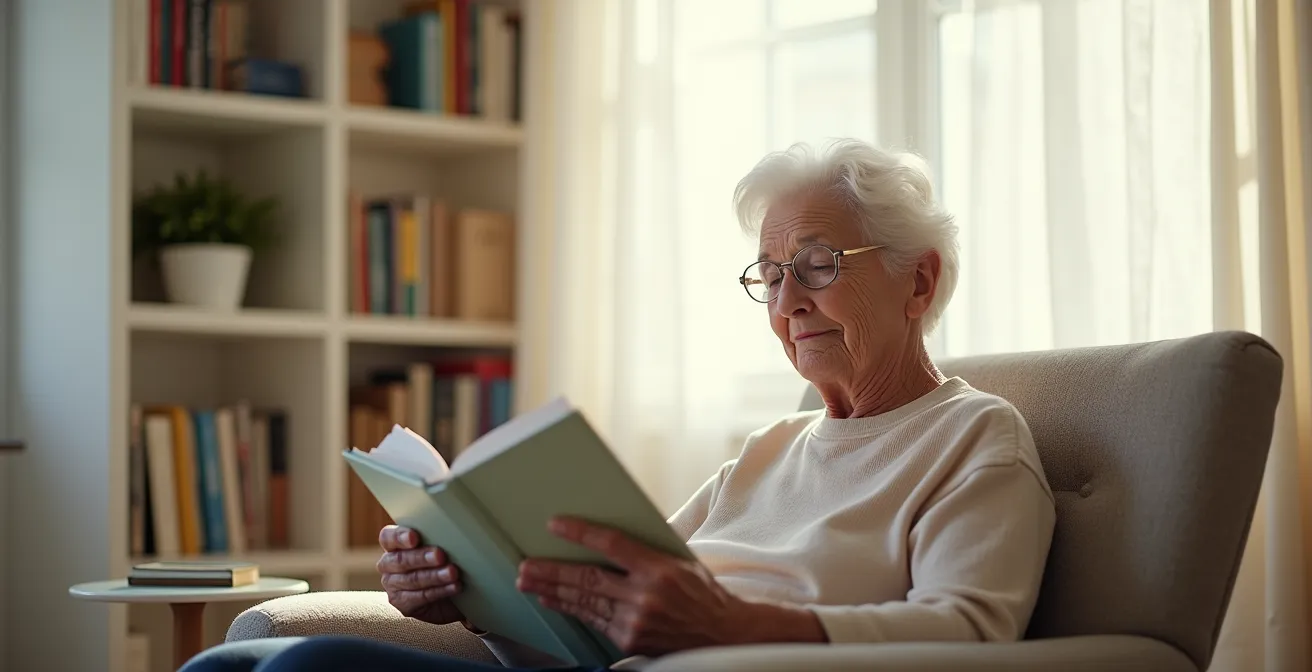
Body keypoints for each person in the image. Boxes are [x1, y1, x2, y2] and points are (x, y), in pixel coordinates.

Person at [181, 138, 1056, 672]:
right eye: (771, 274)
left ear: (920, 280)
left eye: (819, 266)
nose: (788, 301)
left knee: (303, 667)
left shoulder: (977, 438)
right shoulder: (768, 447)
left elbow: (971, 633)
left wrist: (734, 625)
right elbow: (594, 628)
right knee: (236, 664)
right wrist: (472, 593)